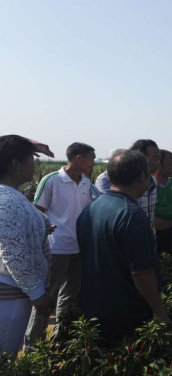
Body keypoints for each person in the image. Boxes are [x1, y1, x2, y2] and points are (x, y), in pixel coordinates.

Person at [77, 150, 169, 347]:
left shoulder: (91, 208)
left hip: (94, 309)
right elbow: (141, 273)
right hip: (126, 314)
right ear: (142, 176)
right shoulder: (131, 215)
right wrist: (160, 312)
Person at [25, 142, 96, 349]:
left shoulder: (86, 183)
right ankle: (32, 348)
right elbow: (36, 210)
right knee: (45, 298)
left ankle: (61, 338)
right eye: (91, 159)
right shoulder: (52, 180)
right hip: (56, 249)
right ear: (78, 159)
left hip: (79, 247)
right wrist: (45, 227)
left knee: (70, 295)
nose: (93, 163)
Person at [0, 135, 52, 354]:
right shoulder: (7, 201)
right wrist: (37, 293)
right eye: (31, 158)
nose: (34, 163)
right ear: (15, 164)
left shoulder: (11, 196)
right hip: (9, 293)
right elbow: (13, 252)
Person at [154, 150, 172, 255]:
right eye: (171, 164)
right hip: (154, 234)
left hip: (169, 231)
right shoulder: (148, 184)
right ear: (159, 163)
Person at [129, 140, 160, 233]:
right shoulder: (127, 184)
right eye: (155, 158)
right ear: (139, 157)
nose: (158, 162)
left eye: (159, 158)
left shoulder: (153, 181)